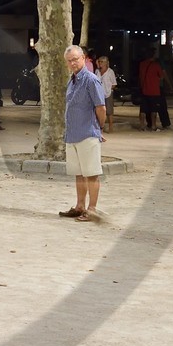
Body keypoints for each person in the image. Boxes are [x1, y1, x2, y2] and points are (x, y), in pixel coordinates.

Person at [59, 45, 108, 221]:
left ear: (83, 58)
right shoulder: (71, 81)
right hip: (72, 134)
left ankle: (92, 208)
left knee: (91, 173)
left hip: (87, 133)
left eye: (75, 59)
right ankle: (80, 206)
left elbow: (101, 107)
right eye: (69, 61)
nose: (72, 63)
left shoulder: (91, 80)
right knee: (79, 173)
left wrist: (98, 128)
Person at [138, 54, 168, 131]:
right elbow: (161, 76)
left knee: (143, 110)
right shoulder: (156, 65)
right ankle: (153, 126)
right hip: (154, 91)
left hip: (144, 90)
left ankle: (142, 126)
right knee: (154, 110)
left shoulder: (142, 64)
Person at [95, 53, 119, 134]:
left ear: (105, 63)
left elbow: (114, 84)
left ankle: (110, 127)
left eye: (101, 61)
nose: (100, 63)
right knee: (100, 111)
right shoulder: (97, 71)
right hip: (99, 94)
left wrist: (108, 89)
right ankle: (101, 127)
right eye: (99, 61)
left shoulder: (110, 72)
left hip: (108, 93)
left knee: (109, 111)